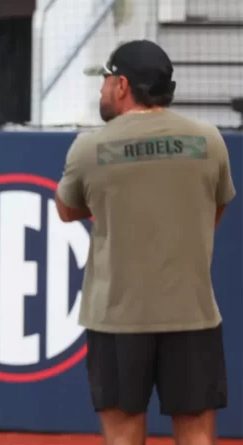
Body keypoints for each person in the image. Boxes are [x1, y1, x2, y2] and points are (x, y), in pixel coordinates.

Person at [56, 40, 235, 445]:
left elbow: (66, 211)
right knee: (198, 436)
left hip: (117, 317)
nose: (101, 90)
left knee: (122, 436)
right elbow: (215, 211)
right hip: (192, 313)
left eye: (104, 81)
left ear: (121, 86)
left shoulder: (90, 147)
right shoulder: (208, 139)